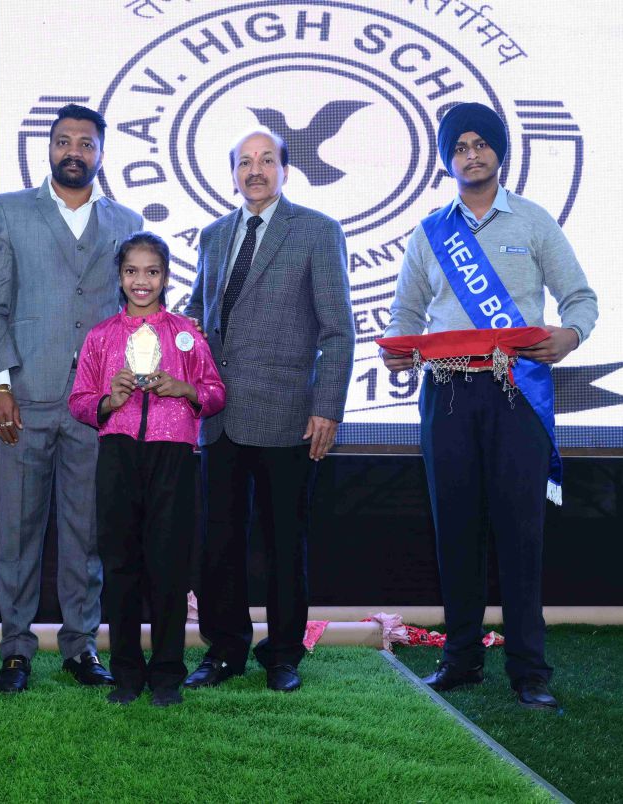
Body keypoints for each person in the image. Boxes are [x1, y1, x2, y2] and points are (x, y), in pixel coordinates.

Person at [381, 102, 598, 709]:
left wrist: (570, 335)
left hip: (514, 393)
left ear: (499, 152)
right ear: (447, 160)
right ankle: (461, 662)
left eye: (480, 144)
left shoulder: (533, 221)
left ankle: (530, 672)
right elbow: (405, 313)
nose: (471, 155)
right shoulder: (430, 231)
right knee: (455, 530)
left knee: (520, 533)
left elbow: (580, 298)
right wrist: (396, 349)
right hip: (447, 393)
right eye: (459, 147)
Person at [0, 104, 144, 693]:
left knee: (86, 532)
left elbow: (134, 315)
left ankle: (80, 647)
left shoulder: (127, 221)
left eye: (86, 143)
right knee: (18, 532)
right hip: (25, 398)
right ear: (48, 148)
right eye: (63, 141)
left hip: (98, 406)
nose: (75, 151)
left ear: (102, 153)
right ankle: (15, 650)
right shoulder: (9, 210)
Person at [183, 128, 353, 693]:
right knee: (219, 543)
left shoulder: (317, 231)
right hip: (217, 418)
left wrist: (328, 407)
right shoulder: (213, 236)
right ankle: (224, 650)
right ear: (232, 172)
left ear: (284, 169)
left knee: (284, 543)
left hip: (289, 415)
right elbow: (197, 313)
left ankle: (283, 654)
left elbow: (338, 329)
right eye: (244, 162)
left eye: (266, 160)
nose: (254, 171)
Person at [69, 232, 225, 707]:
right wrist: (108, 400)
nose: (142, 281)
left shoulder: (185, 335)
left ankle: (167, 674)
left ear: (166, 277)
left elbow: (216, 393)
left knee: (169, 565)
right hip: (118, 454)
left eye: (152, 271)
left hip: (173, 456)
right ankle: (126, 673)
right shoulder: (101, 336)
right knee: (120, 564)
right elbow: (79, 401)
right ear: (119, 277)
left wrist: (184, 389)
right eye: (132, 271)